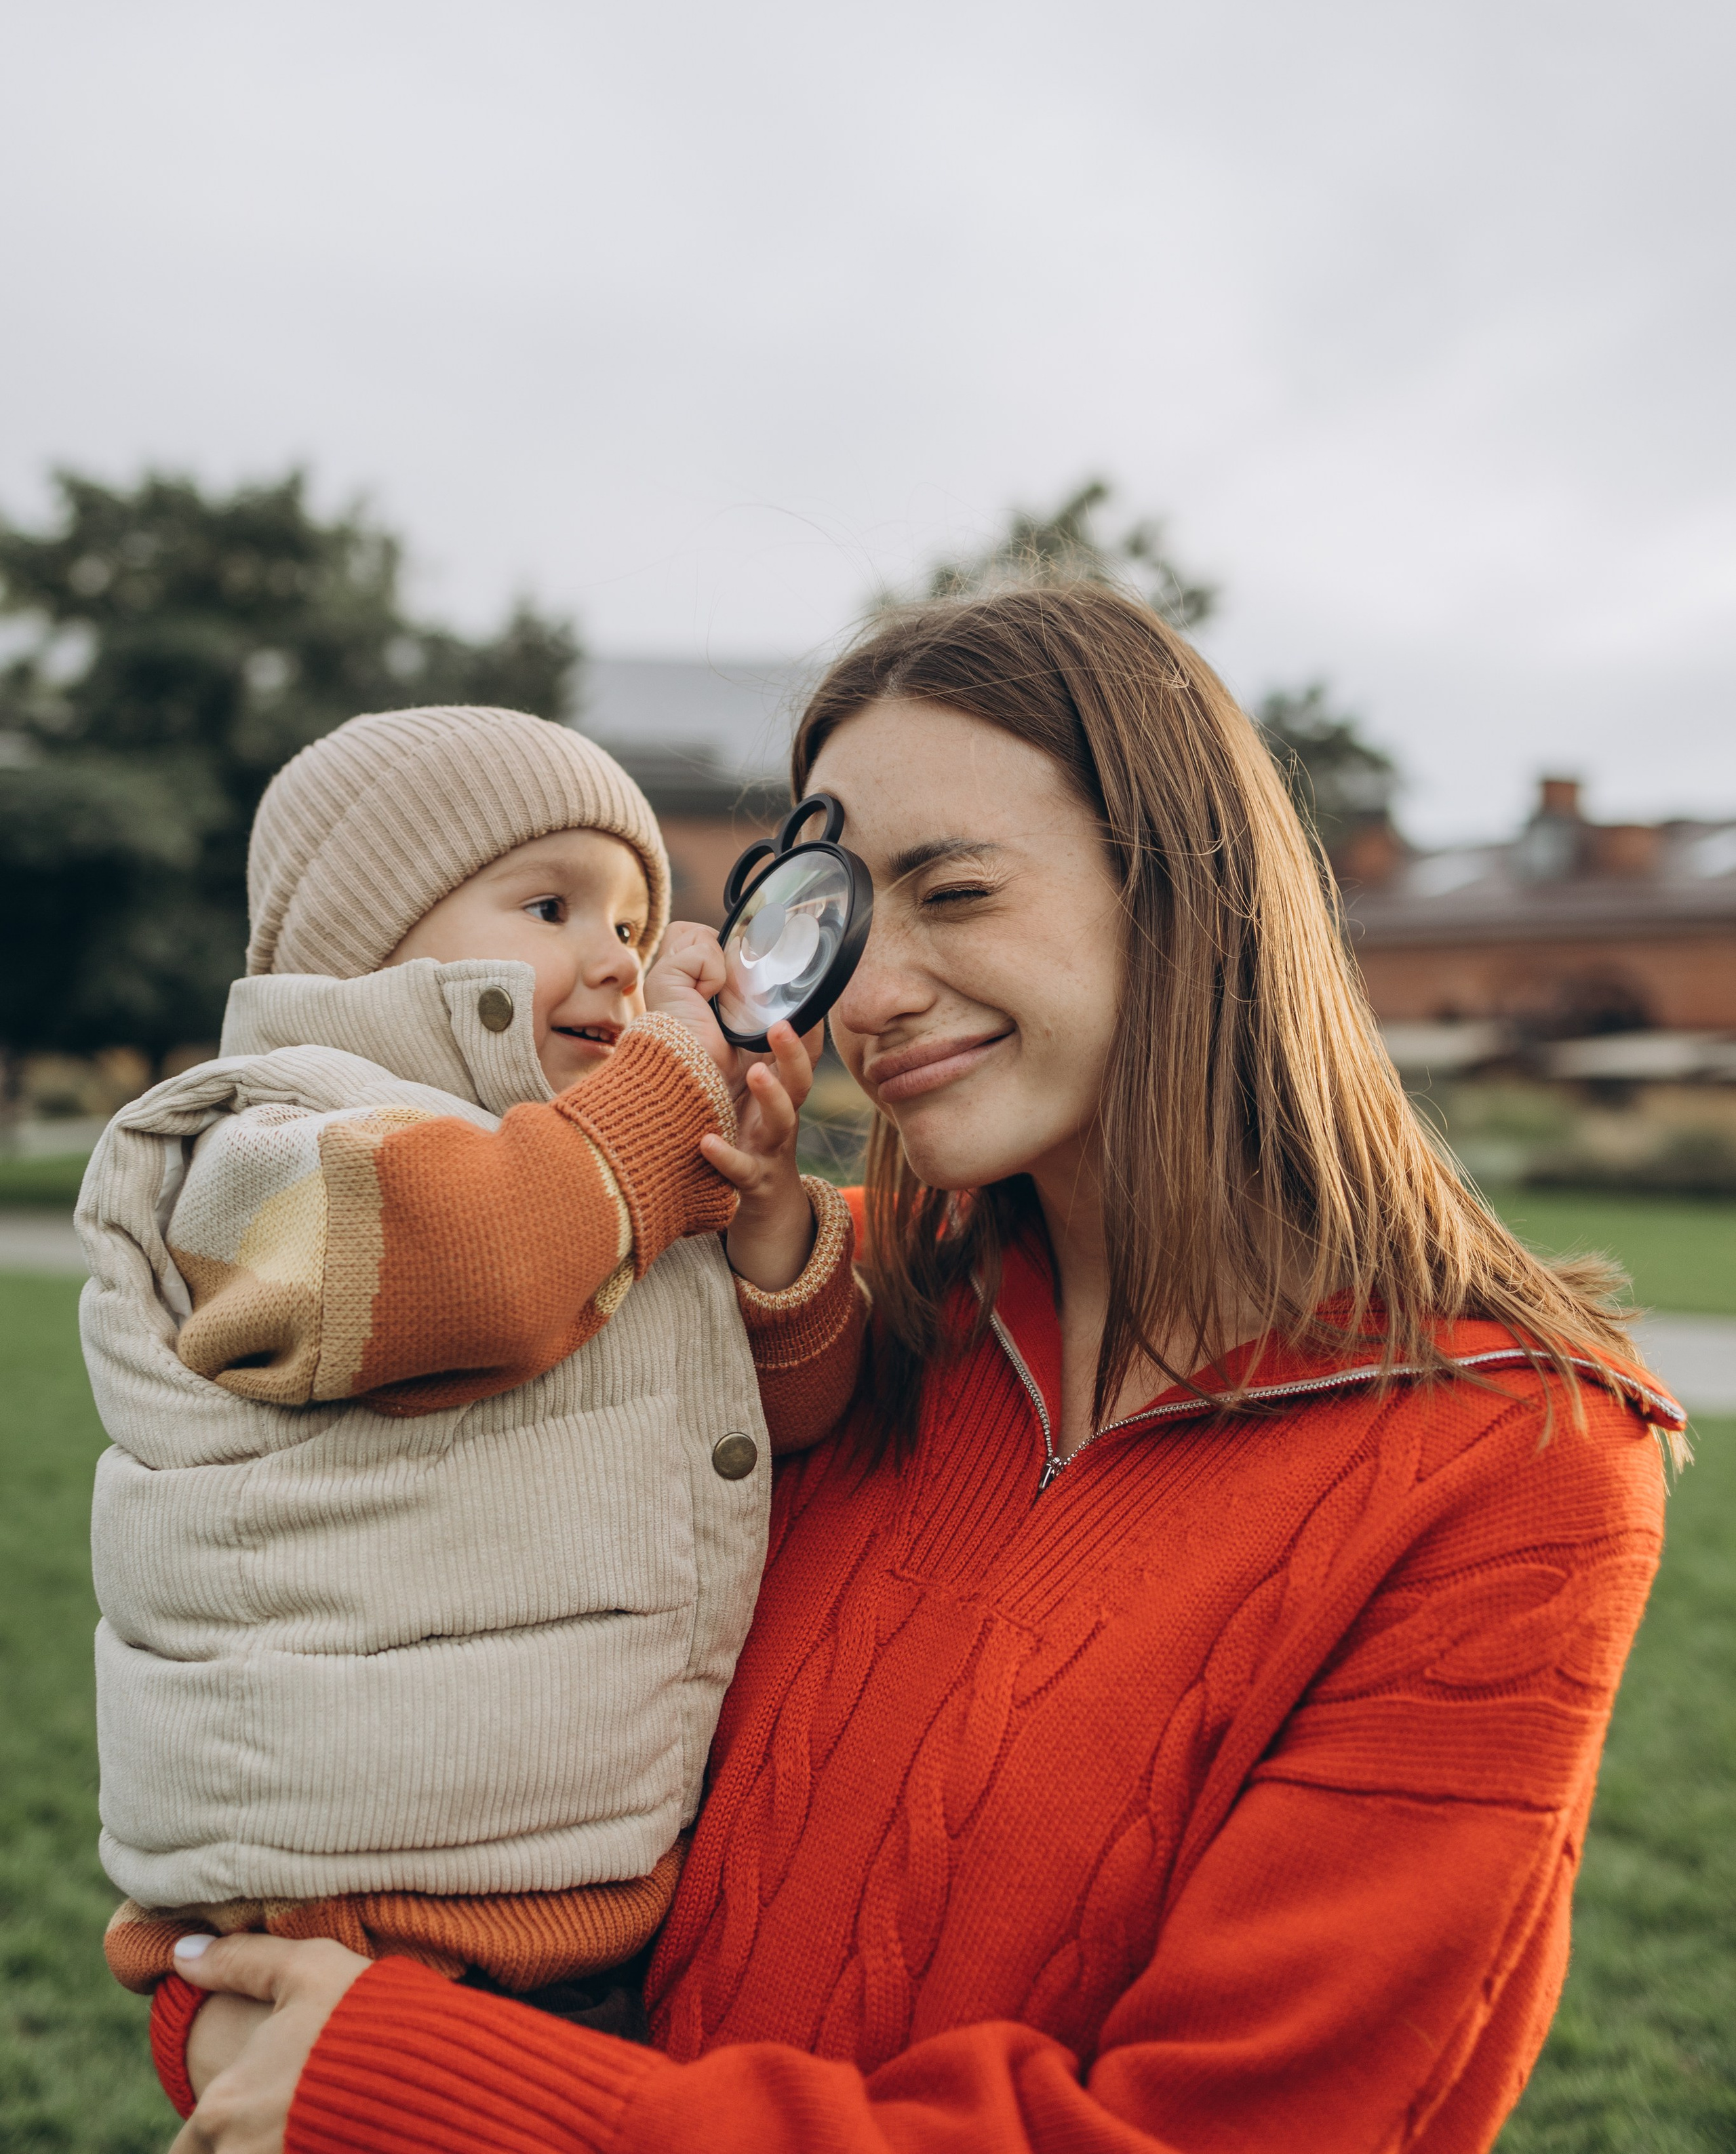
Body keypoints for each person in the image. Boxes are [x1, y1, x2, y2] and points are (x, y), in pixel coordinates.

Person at [165, 590, 1684, 2154]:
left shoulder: (1516, 1461)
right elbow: (317, 1622)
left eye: (953, 893)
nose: (867, 997)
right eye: (833, 910)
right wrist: (249, 1994)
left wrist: (427, 2094)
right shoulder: (788, 1294)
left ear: (1191, 898)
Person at [77, 706, 861, 2117]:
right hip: (346, 1914)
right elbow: (472, 1269)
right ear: (358, 940)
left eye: (634, 921)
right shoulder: (263, 1141)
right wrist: (664, 1088)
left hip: (580, 1908)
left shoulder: (595, 1184)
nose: (615, 958)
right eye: (552, 903)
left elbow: (776, 1438)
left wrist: (765, 1233)